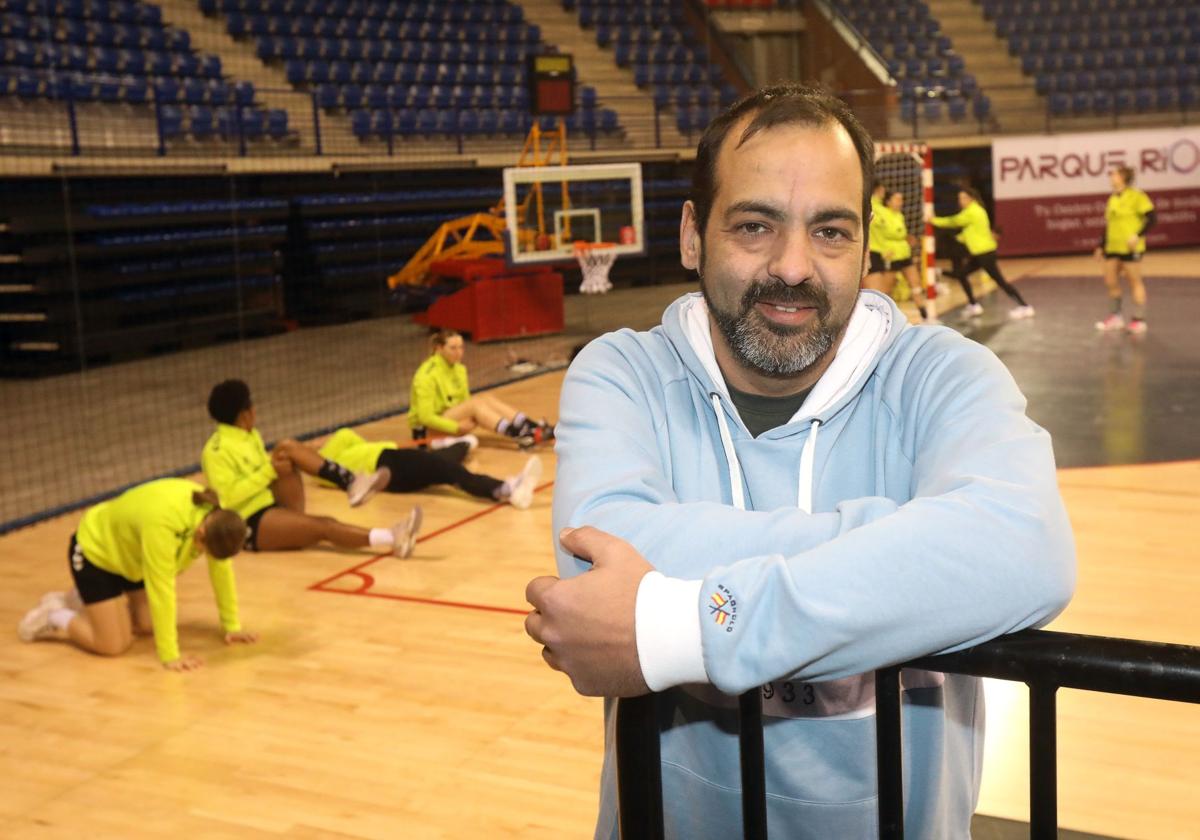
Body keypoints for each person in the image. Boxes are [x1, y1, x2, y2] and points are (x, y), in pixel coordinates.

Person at [523, 83, 1075, 839]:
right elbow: (596, 575)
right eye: (755, 225)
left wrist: (686, 626)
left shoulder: (944, 375)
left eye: (831, 231)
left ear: (865, 242)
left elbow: (1024, 550)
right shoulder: (623, 375)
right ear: (692, 235)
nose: (793, 267)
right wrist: (912, 545)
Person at [16, 478, 254, 671]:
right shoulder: (163, 524)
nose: (202, 555)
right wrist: (170, 654)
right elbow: (162, 588)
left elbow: (221, 570)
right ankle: (55, 615)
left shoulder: (218, 518)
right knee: (113, 645)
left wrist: (231, 625)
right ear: (202, 532)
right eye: (204, 550)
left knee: (147, 626)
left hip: (132, 559)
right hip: (96, 554)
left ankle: (86, 604)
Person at [202, 380, 422, 558]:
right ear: (244, 414)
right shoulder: (216, 451)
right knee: (323, 526)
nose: (255, 410)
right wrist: (269, 471)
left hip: (272, 501)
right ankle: (393, 538)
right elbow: (227, 499)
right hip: (249, 521)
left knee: (286, 447)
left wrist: (276, 468)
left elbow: (266, 471)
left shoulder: (251, 435)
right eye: (252, 405)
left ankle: (352, 483)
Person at [317, 427, 543, 510]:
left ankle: (463, 444)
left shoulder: (332, 468)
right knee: (448, 471)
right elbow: (348, 435)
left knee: (440, 464)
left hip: (394, 472)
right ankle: (506, 489)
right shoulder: (332, 451)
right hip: (389, 461)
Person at [408, 329, 554, 449]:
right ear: (439, 349)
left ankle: (532, 427)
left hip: (450, 418)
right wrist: (456, 427)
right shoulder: (426, 375)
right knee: (476, 404)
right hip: (427, 431)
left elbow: (464, 403)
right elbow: (425, 417)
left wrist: (473, 417)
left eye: (461, 347)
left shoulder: (459, 369)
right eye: (453, 348)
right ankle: (521, 436)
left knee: (484, 398)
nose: (459, 352)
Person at [929, 187, 1033, 319]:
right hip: (979, 254)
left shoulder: (972, 211)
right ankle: (973, 305)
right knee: (961, 274)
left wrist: (932, 220)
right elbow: (970, 232)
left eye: (964, 198)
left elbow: (953, 221)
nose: (961, 201)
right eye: (959, 198)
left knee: (1000, 281)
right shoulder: (976, 212)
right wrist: (958, 239)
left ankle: (1024, 306)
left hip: (985, 253)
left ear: (972, 198)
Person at [1094, 165, 1155, 334]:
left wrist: (1137, 235)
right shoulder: (1112, 198)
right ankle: (1115, 317)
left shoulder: (1137, 196)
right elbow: (1109, 225)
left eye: (1114, 174)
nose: (1111, 176)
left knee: (1134, 281)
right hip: (1112, 247)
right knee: (1111, 281)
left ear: (1123, 177)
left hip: (1130, 248)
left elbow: (1152, 218)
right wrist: (1101, 245)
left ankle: (1139, 319)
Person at [876, 189, 938, 324]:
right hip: (891, 256)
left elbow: (900, 233)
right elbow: (890, 233)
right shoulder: (881, 213)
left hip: (905, 255)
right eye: (897, 199)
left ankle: (926, 317)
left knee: (916, 285)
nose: (900, 203)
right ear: (888, 201)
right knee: (886, 291)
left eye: (901, 200)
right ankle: (883, 321)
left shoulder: (899, 215)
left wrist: (907, 238)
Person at [863, 180, 891, 294]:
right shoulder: (870, 206)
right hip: (872, 252)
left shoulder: (882, 208)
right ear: (878, 189)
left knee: (882, 294)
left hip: (882, 253)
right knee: (877, 297)